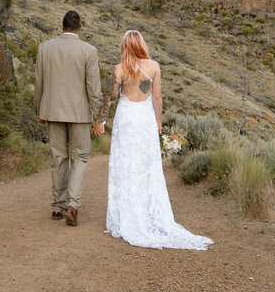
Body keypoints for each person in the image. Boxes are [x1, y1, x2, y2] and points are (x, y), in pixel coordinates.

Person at [92, 30, 214, 250]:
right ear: (141, 45)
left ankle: (125, 216)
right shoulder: (154, 67)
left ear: (125, 47)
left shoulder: (119, 70)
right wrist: (158, 123)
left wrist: (100, 122)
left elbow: (111, 99)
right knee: (146, 167)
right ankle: (148, 213)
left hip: (126, 117)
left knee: (125, 166)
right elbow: (156, 97)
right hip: (144, 118)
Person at [35, 10, 104, 226]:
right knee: (80, 157)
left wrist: (40, 110)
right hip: (80, 114)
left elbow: (39, 82)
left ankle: (57, 207)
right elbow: (93, 88)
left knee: (59, 158)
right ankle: (72, 206)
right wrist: (97, 117)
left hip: (53, 111)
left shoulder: (45, 47)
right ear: (80, 28)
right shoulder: (89, 50)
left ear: (62, 26)